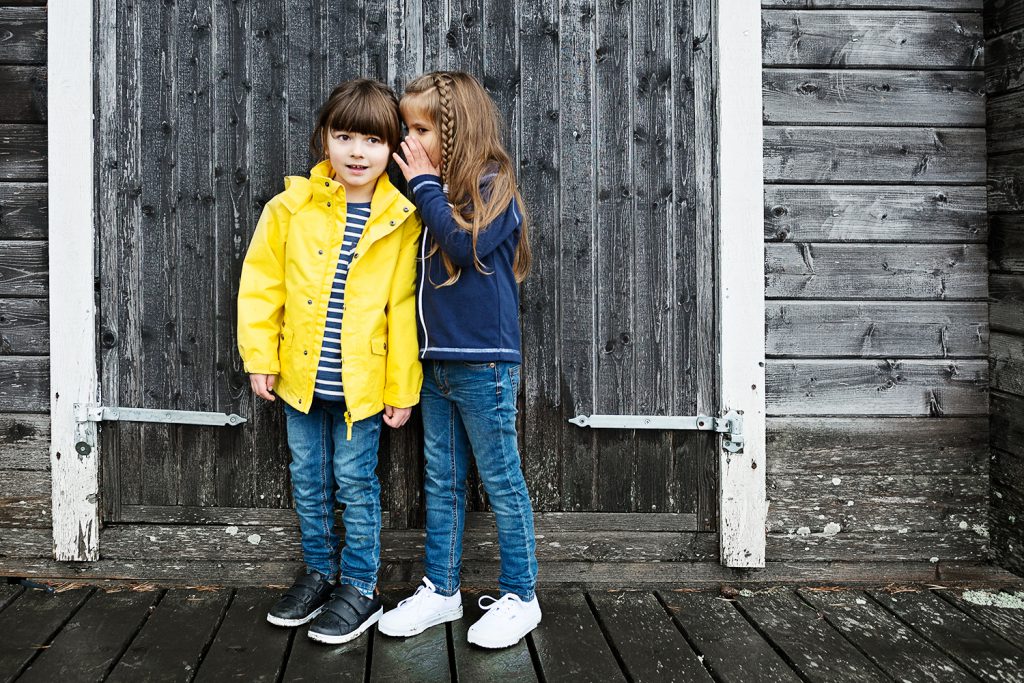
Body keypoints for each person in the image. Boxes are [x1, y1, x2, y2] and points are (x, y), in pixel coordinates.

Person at [237, 78, 422, 645]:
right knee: (309, 481)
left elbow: (404, 311)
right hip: (299, 378)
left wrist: (401, 389)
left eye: (371, 140)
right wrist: (260, 357)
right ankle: (320, 572)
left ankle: (360, 586)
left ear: (391, 147)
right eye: (344, 137)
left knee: (353, 482)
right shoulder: (290, 208)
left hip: (361, 386)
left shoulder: (403, 219)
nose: (357, 152)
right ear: (325, 140)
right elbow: (261, 286)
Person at [378, 71, 540, 649]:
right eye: (406, 127)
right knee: (441, 481)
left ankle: (522, 594)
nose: (408, 140)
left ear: (454, 129)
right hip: (436, 364)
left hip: (484, 365)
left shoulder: (494, 188)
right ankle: (442, 590)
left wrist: (423, 185)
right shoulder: (424, 195)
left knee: (501, 480)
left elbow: (462, 245)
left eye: (420, 128)